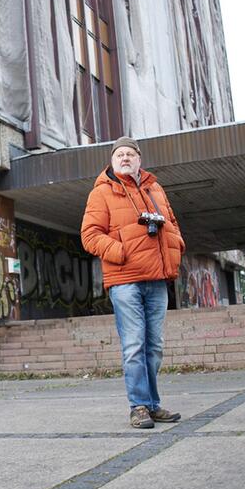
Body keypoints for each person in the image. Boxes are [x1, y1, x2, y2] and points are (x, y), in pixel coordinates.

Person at [81, 136, 186, 428]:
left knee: (155, 346)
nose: (125, 158)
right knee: (134, 345)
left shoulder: (156, 189)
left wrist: (177, 244)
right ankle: (138, 406)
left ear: (139, 159)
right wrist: (121, 252)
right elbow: (89, 235)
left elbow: (172, 223)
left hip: (157, 279)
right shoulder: (101, 193)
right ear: (112, 161)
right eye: (120, 155)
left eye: (130, 154)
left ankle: (152, 405)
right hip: (125, 280)